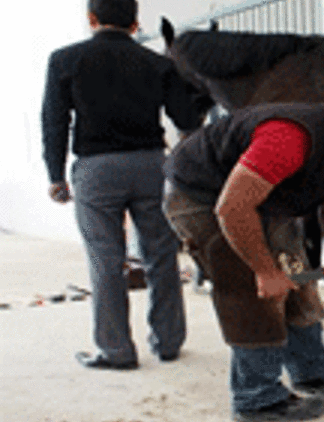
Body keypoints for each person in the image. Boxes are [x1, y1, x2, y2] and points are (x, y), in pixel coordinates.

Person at [162, 96, 324, 421]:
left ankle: (311, 373)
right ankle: (257, 401)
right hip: (202, 196)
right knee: (252, 292)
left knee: (298, 279)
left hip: (267, 199)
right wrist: (264, 270)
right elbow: (233, 208)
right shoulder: (290, 138)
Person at [41, 0, 213, 369]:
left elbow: (54, 123)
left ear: (91, 19)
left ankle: (116, 350)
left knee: (105, 260)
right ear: (135, 24)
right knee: (162, 255)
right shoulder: (159, 64)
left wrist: (55, 175)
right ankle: (167, 343)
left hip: (96, 170)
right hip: (152, 164)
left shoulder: (64, 60)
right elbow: (187, 120)